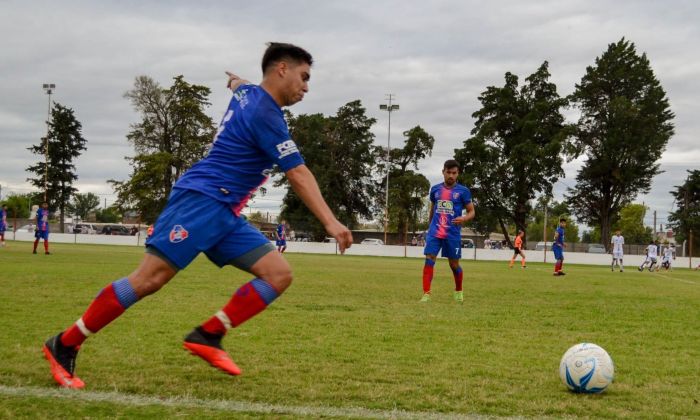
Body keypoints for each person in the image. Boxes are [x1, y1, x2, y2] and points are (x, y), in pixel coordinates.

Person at [42, 42, 353, 389]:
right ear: (282, 69)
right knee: (148, 280)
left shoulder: (249, 94)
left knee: (278, 274)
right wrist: (330, 221)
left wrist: (235, 81)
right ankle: (64, 343)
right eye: (304, 77)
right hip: (201, 201)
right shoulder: (266, 115)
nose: (306, 87)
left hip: (225, 212)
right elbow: (298, 173)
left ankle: (208, 335)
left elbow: (242, 86)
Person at [420, 159, 475, 303]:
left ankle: (458, 291)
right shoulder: (435, 189)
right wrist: (429, 226)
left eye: (454, 173)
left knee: (454, 265)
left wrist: (464, 218)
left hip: (452, 233)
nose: (451, 175)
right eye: (448, 172)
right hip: (435, 232)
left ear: (458, 174)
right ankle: (426, 294)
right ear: (443, 172)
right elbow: (433, 208)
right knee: (429, 259)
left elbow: (472, 211)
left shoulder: (463, 191)